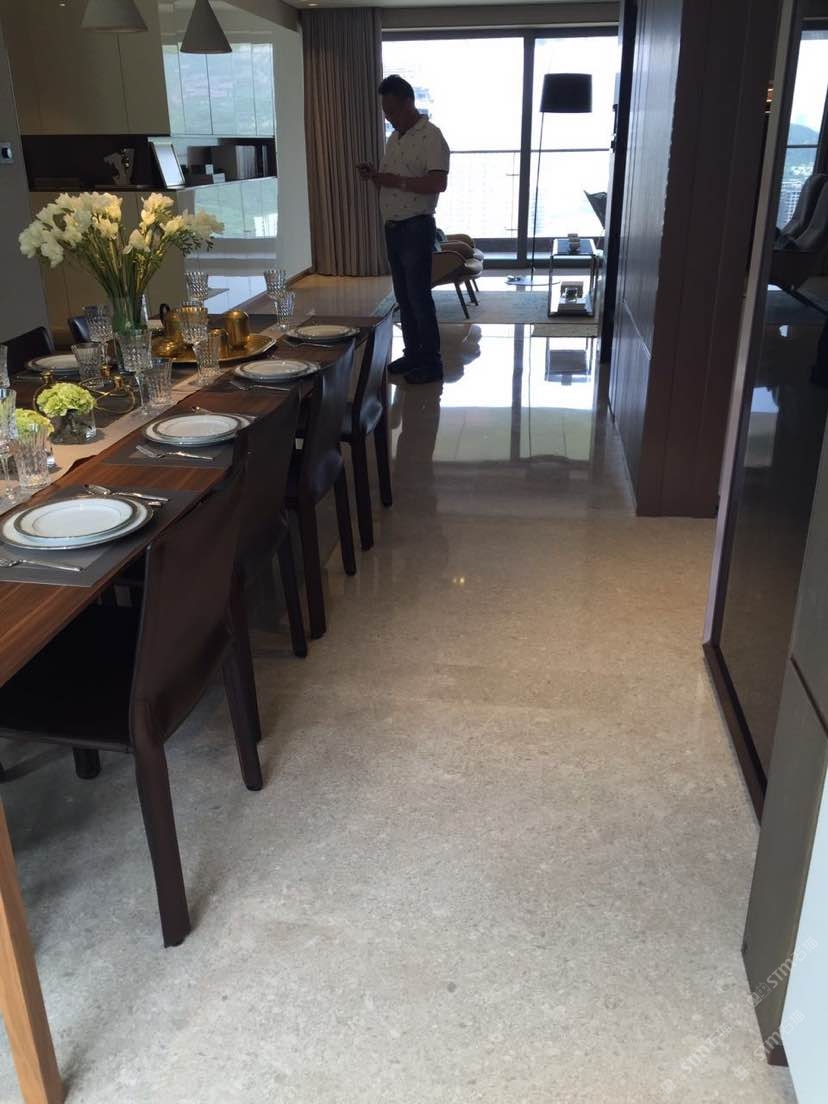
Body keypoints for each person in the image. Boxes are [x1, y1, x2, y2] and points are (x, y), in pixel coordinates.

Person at [358, 74, 450, 385]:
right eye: (385, 111)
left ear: (409, 102)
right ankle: (413, 354)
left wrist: (394, 181)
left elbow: (438, 183)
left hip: (416, 227)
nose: (388, 117)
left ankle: (432, 362)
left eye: (393, 110)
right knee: (404, 297)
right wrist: (376, 176)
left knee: (419, 297)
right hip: (393, 227)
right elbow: (394, 180)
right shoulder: (394, 138)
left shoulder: (431, 137)